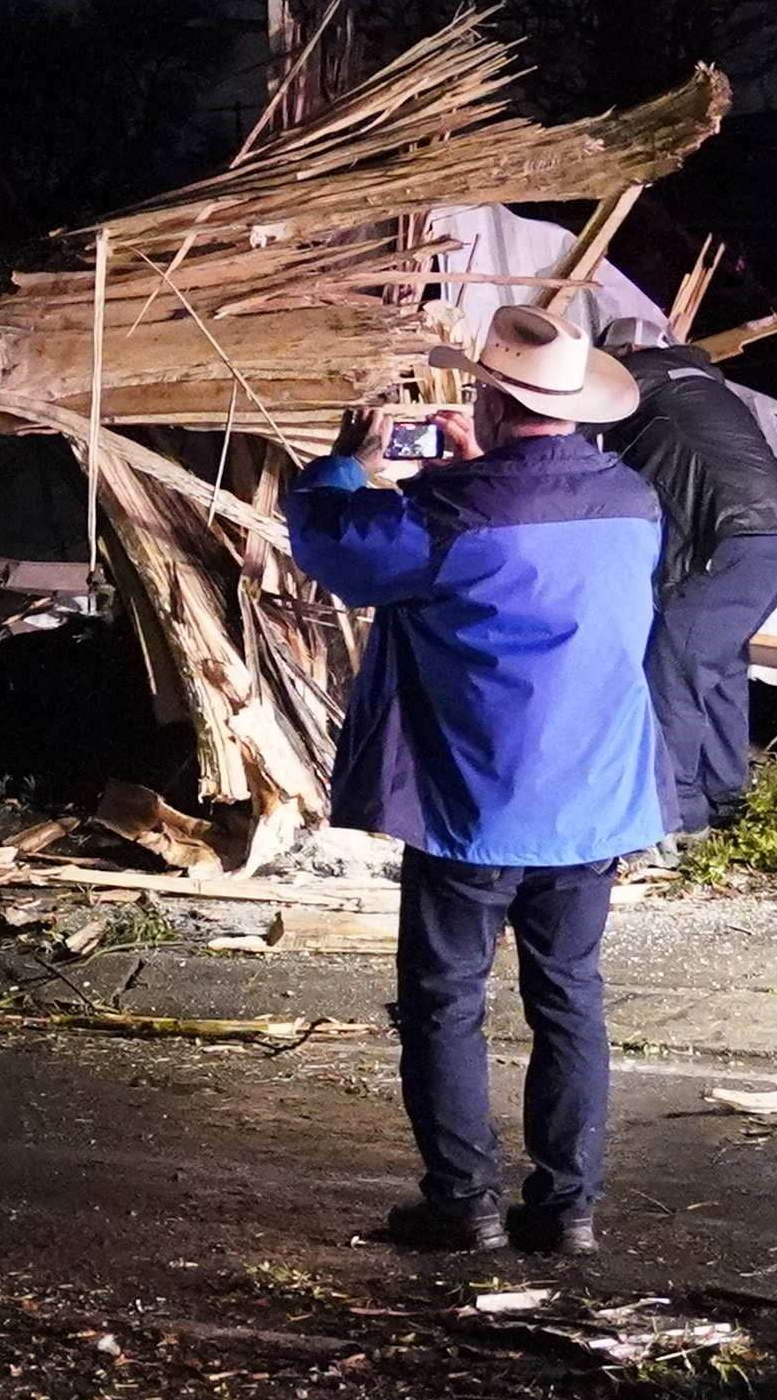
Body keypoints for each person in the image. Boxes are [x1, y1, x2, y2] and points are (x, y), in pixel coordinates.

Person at [283, 303, 664, 1256]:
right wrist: (471, 472)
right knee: (568, 993)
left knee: (446, 1001)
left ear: (489, 399)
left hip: (476, 801)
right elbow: (526, 549)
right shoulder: (633, 498)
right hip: (596, 797)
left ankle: (465, 1204)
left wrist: (344, 465)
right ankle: (568, 1208)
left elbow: (338, 546)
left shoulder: (445, 514)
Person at [599, 315, 777, 847]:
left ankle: (676, 814)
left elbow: (572, 431)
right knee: (718, 665)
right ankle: (726, 797)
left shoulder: (643, 378)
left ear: (628, 351)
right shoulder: (703, 389)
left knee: (674, 665)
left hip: (735, 532)